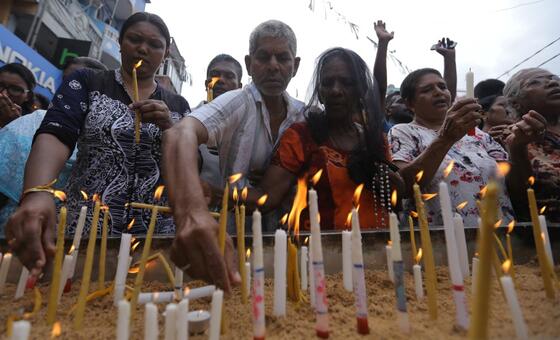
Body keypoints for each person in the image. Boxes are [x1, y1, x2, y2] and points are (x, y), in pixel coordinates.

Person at [6, 12, 189, 276]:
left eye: (155, 44)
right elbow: (57, 133)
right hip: (87, 225)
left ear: (166, 52)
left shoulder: (178, 106)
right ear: (120, 42)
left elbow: (188, 166)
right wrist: (37, 192)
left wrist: (170, 129)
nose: (143, 49)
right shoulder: (87, 82)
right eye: (134, 39)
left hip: (154, 233)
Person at [163, 20, 303, 291]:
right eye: (263, 57)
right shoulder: (239, 100)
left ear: (295, 66)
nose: (273, 65)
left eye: (282, 57)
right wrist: (191, 212)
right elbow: (179, 134)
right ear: (250, 64)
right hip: (235, 230)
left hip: (290, 237)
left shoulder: (302, 113)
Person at [248, 47, 402, 230]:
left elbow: (391, 197)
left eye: (346, 82)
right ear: (319, 92)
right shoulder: (301, 136)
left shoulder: (375, 139)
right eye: (328, 83)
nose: (336, 90)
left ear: (361, 90)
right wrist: (216, 194)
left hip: (380, 247)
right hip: (323, 251)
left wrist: (397, 186)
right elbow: (267, 197)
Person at [387, 68, 544, 227]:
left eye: (442, 87)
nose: (438, 92)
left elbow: (519, 190)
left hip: (500, 234)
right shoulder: (403, 132)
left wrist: (518, 147)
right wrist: (445, 138)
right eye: (427, 90)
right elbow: (405, 185)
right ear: (409, 103)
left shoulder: (480, 135)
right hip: (441, 239)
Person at [0, 58, 108, 233]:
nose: (69, 90)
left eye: (78, 84)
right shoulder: (35, 120)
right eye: (66, 82)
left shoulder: (112, 140)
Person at [503, 68, 560, 222]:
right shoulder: (506, 138)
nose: (553, 82)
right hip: (546, 237)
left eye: (554, 77)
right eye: (535, 82)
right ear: (515, 102)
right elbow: (519, 197)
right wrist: (517, 148)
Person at [197, 54, 244, 206]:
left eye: (229, 76)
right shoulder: (188, 119)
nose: (220, 80)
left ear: (240, 87)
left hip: (239, 216)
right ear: (206, 83)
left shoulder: (250, 124)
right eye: (215, 75)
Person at [0, 63, 36, 127]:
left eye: (15, 89)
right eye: (0, 85)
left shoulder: (31, 127)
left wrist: (12, 126)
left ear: (28, 96)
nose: (4, 94)